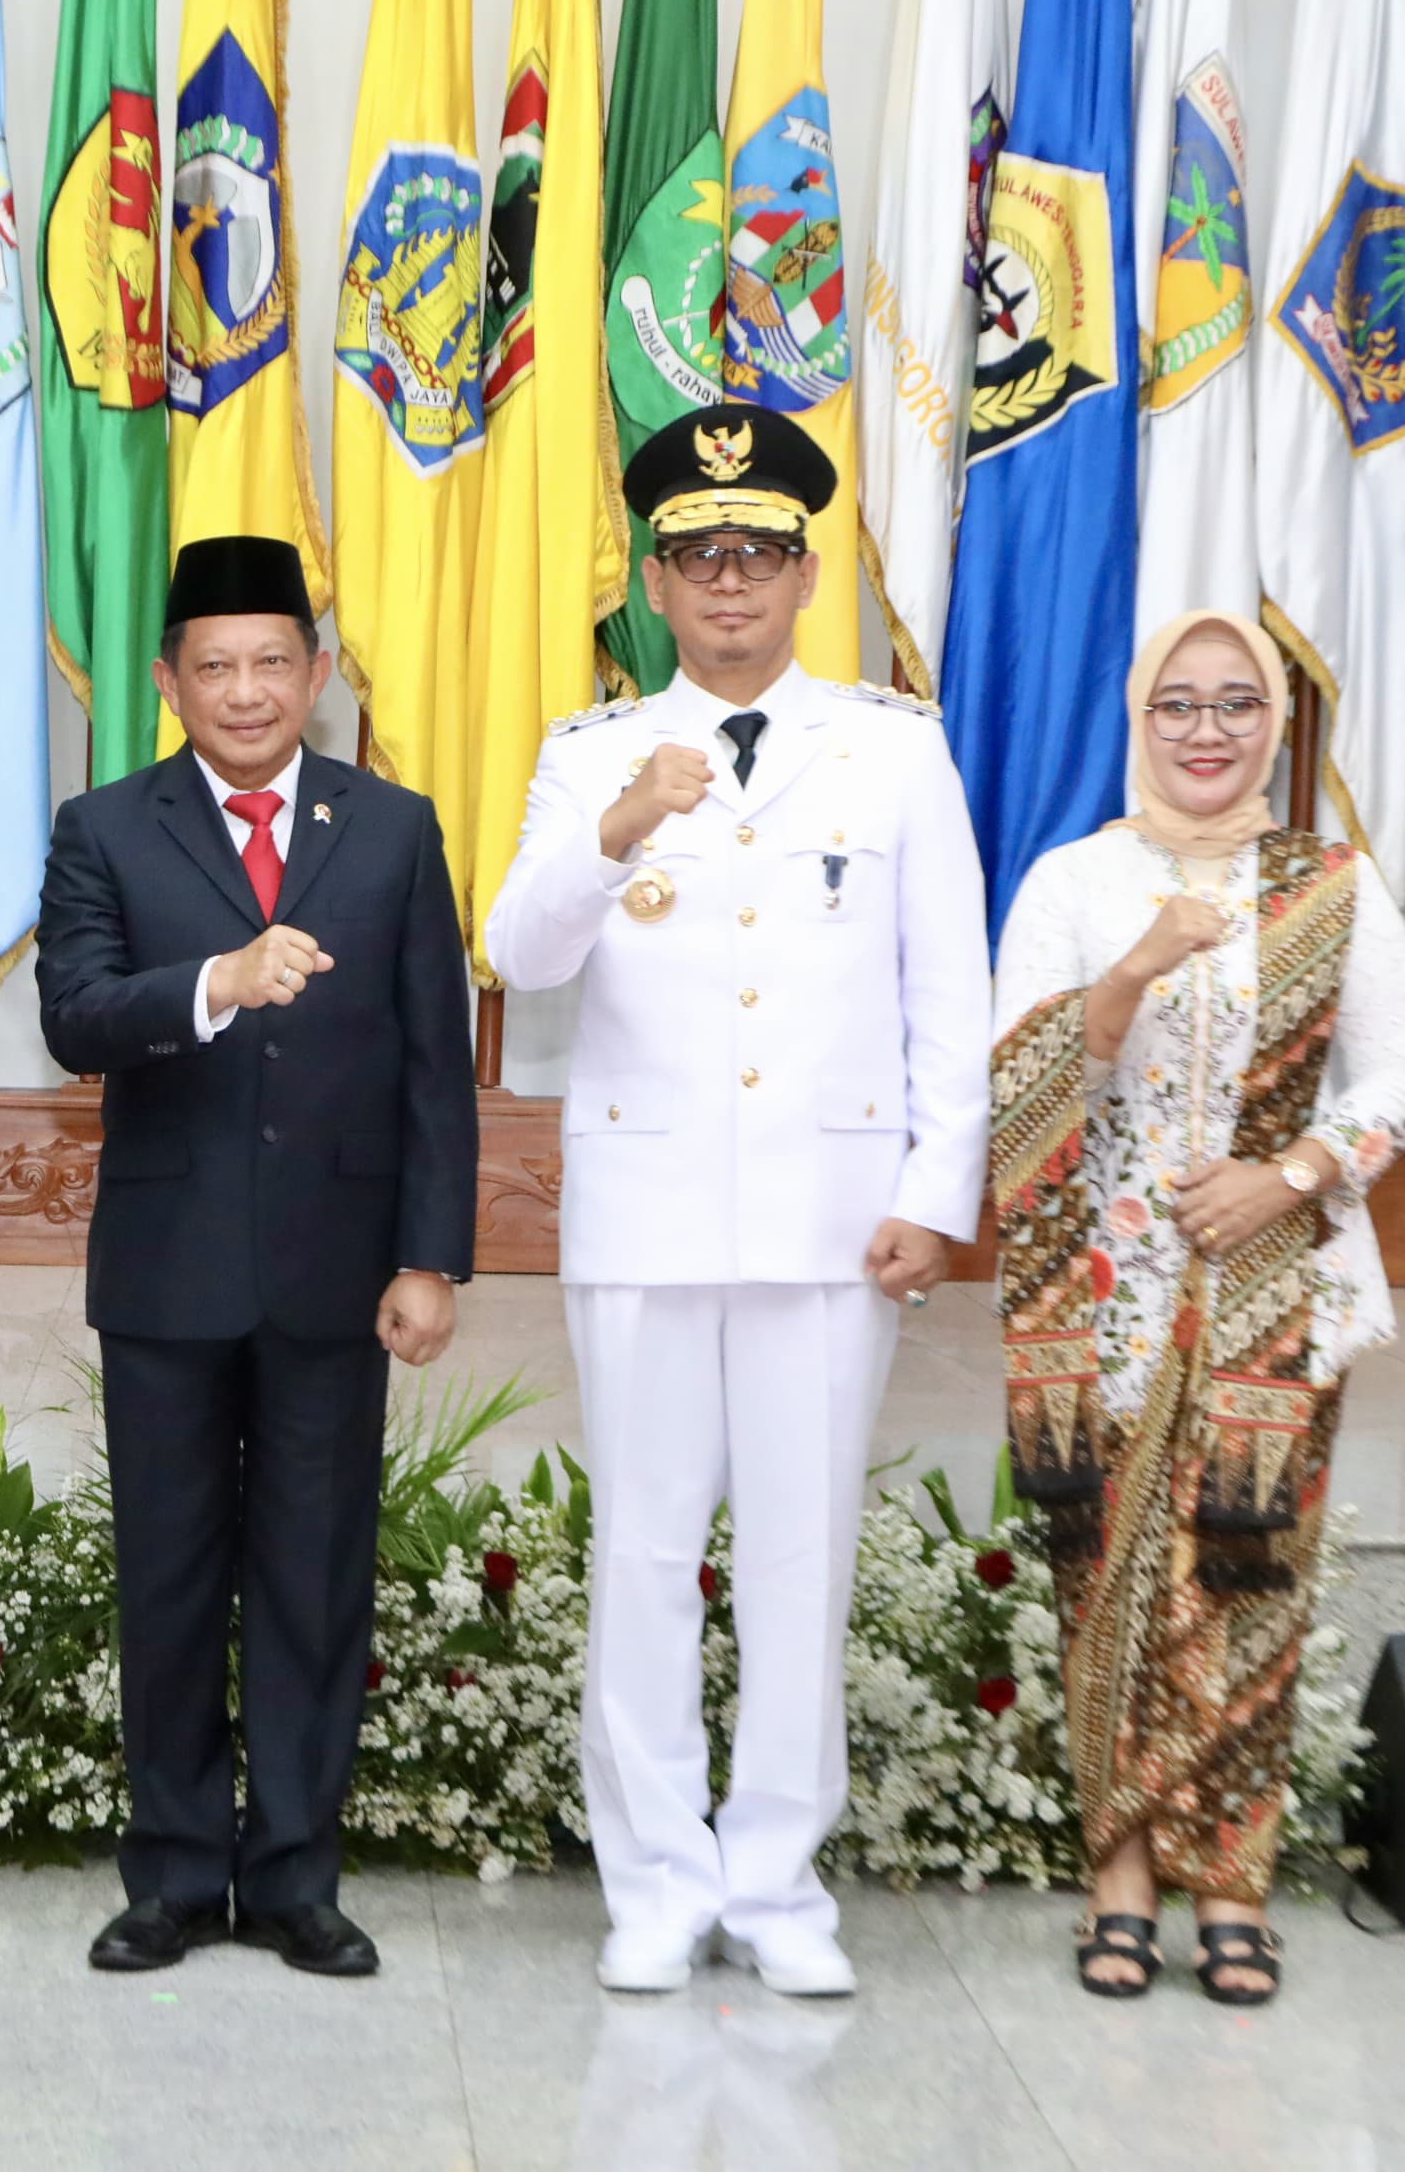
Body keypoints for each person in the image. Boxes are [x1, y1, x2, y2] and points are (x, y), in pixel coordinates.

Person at [484, 404, 989, 1998]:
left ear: (805, 569)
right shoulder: (589, 755)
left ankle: (777, 1885)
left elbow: (949, 992)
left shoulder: (892, 748)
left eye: (759, 555)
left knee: (799, 1557)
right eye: (699, 557)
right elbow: (520, 954)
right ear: (653, 573)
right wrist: (619, 828)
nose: (729, 586)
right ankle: (652, 1880)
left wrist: (938, 1190)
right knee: (642, 1552)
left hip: (833, 1218)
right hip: (642, 1216)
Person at [34, 534, 477, 1980]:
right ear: (167, 682)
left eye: (270, 663)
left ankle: (294, 1873)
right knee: (166, 1575)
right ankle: (168, 1872)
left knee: (312, 1576)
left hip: (336, 1274)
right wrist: (214, 984)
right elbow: (75, 1016)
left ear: (318, 673)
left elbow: (432, 1065)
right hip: (167, 1271)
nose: (243, 691)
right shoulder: (106, 826)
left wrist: (431, 1257)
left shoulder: (395, 829)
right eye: (212, 667)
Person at [991, 611, 1405, 2006]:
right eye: (1177, 704)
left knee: (1250, 1585)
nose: (1205, 729)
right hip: (1106, 1295)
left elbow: (1399, 1080)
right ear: (1142, 721)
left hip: (1278, 1290)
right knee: (1106, 1581)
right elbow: (1015, 1080)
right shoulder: (1076, 879)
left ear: (1276, 725)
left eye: (1235, 703)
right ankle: (1120, 1872)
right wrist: (1133, 966)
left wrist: (1291, 1175)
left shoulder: (1333, 888)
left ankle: (1233, 1881)